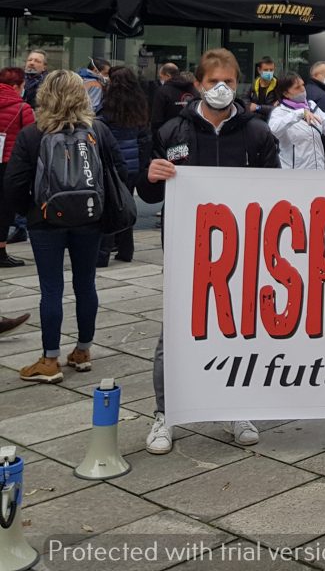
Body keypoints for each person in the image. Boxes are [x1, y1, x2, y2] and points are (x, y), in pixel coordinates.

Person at [138, 48, 279, 454]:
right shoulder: (171, 132)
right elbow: (147, 190)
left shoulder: (257, 133)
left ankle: (236, 405)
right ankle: (167, 412)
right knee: (174, 334)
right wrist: (150, 175)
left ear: (239, 84)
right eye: (213, 81)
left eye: (229, 82)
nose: (221, 88)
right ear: (197, 84)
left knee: (238, 329)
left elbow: (276, 190)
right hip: (186, 251)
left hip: (243, 250)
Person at [5, 70, 130, 383]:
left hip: (45, 221)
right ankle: (83, 351)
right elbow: (121, 171)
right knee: (86, 283)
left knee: (51, 289)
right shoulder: (98, 130)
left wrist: (31, 212)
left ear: (44, 96)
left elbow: (14, 184)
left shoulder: (33, 134)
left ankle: (49, 360)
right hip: (90, 217)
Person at [95, 67, 152, 266]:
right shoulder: (139, 104)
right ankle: (126, 250)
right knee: (126, 203)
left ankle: (102, 254)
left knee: (111, 205)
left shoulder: (107, 105)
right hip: (133, 163)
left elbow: (100, 129)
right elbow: (145, 137)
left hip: (112, 162)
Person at [268, 71, 325, 170]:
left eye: (303, 85)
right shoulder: (280, 111)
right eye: (297, 87)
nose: (303, 89)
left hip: (318, 170)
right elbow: (274, 129)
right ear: (286, 93)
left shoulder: (311, 105)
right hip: (295, 174)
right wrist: (300, 113)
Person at [0, 67, 34, 267]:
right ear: (15, 86)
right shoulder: (23, 108)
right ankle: (1, 250)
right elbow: (30, 138)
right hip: (10, 165)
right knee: (4, 208)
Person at [150, 63, 201, 135]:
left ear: (167, 75)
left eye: (161, 77)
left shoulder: (162, 91)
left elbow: (157, 119)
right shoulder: (192, 89)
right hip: (190, 136)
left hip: (168, 137)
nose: (160, 80)